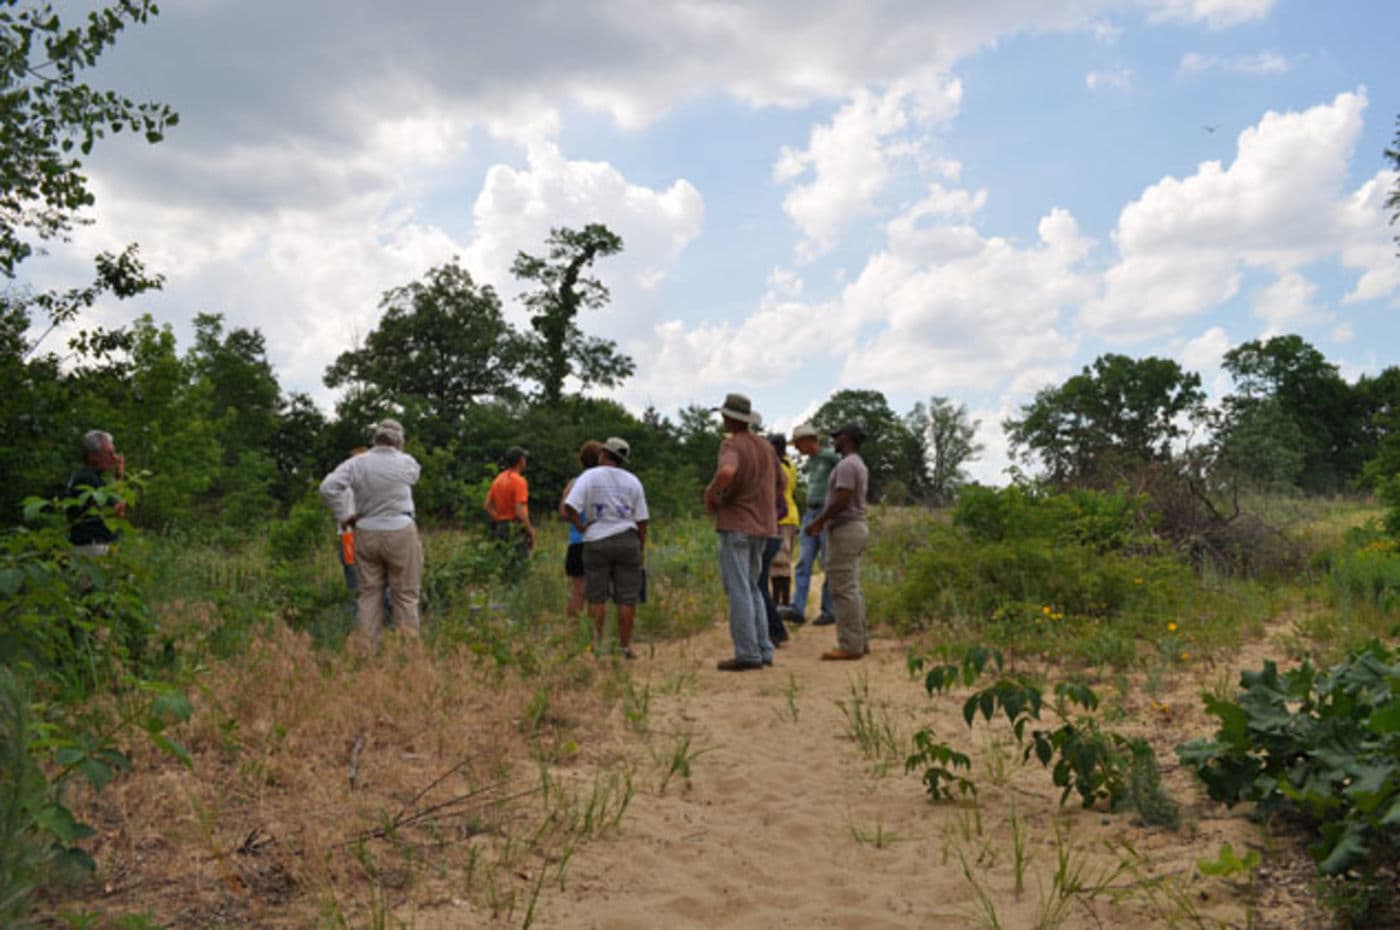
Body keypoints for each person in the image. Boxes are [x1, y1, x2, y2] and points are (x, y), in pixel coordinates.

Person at [320, 419, 423, 646]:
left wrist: (344, 515)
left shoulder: (356, 463)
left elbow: (328, 487)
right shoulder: (406, 462)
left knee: (368, 595)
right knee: (405, 594)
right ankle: (408, 653)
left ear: (375, 439)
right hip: (400, 529)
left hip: (365, 530)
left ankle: (366, 651)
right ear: (398, 440)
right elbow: (414, 476)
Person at [704, 393, 783, 671]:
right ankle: (763, 649)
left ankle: (747, 654)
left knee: (739, 589)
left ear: (729, 417)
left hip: (736, 524)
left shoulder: (731, 444)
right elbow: (781, 483)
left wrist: (711, 492)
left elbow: (726, 471)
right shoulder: (765, 447)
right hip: (763, 526)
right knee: (753, 587)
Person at [563, 437, 649, 659]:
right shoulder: (633, 481)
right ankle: (624, 647)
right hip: (627, 539)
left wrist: (581, 526)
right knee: (627, 598)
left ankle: (597, 646)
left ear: (603, 453)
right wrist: (640, 546)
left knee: (597, 597)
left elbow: (569, 505)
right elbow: (642, 519)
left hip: (596, 540)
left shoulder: (590, 477)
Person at [805, 422, 870, 660]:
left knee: (842, 589)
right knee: (851, 587)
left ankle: (850, 645)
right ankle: (860, 641)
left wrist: (819, 521)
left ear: (847, 438)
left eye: (837, 436)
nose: (834, 440)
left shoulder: (846, 466)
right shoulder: (857, 464)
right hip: (855, 528)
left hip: (845, 529)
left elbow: (842, 498)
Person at [786, 423, 838, 626]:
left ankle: (829, 610)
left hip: (826, 513)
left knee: (827, 562)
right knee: (803, 562)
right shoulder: (813, 461)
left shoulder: (829, 457)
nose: (797, 448)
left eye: (798, 443)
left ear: (808, 440)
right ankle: (797, 608)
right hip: (810, 512)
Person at [560, 440, 604, 617]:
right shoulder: (603, 484)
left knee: (577, 590)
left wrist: (578, 522)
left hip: (576, 542)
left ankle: (571, 628)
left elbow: (563, 513)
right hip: (598, 541)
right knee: (597, 592)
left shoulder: (573, 483)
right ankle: (593, 633)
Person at [67, 429, 126, 556]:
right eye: (109, 453)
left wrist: (118, 476)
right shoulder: (88, 479)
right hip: (92, 549)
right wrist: (121, 482)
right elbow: (117, 512)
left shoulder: (93, 479)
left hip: (93, 548)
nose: (113, 458)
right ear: (93, 455)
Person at [485, 446, 534, 560]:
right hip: (516, 527)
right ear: (521, 461)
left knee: (503, 562)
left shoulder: (498, 479)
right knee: (520, 564)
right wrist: (529, 530)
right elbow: (520, 510)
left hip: (501, 526)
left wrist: (499, 519)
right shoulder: (519, 481)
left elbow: (487, 506)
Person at [769, 434, 799, 608]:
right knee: (784, 559)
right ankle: (783, 601)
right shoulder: (790, 463)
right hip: (792, 514)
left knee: (778, 560)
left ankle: (779, 602)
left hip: (781, 515)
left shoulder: (778, 466)